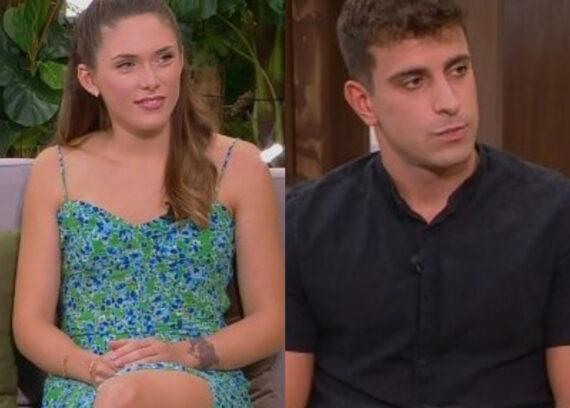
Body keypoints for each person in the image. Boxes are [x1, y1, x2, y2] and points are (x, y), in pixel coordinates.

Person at [285, 0, 570, 407]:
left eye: (459, 70)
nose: (450, 102)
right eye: (414, 81)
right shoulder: (302, 226)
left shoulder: (554, 214)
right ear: (364, 102)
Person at [12, 0, 284, 407]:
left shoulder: (238, 165)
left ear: (182, 62)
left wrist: (181, 353)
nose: (151, 80)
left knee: (129, 394)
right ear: (89, 79)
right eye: (127, 65)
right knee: (118, 394)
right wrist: (89, 366)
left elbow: (271, 321)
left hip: (197, 378)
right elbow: (30, 323)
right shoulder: (56, 169)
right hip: (85, 379)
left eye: (164, 58)